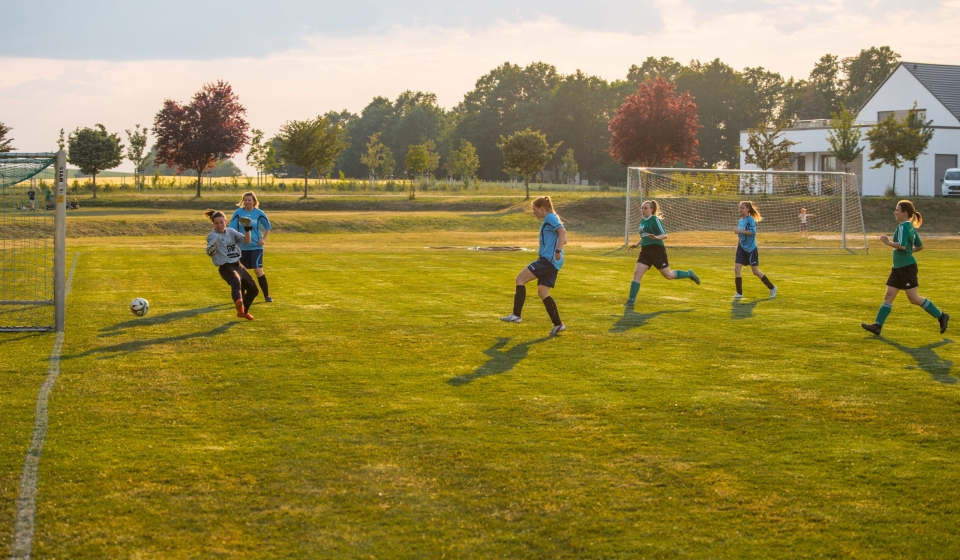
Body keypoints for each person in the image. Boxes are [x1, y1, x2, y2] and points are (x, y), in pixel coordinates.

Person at [861, 200, 948, 336]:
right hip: (898, 267)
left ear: (905, 213)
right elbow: (920, 246)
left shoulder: (903, 227)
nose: (895, 212)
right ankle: (877, 326)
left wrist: (887, 242)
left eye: (897, 210)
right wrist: (908, 251)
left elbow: (901, 246)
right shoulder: (909, 226)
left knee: (913, 298)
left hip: (906, 268)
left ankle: (941, 315)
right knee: (889, 296)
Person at [500, 196, 567, 335]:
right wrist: (558, 246)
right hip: (553, 261)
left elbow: (563, 232)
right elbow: (563, 237)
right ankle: (558, 324)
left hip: (548, 260)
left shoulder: (549, 217)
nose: (533, 212)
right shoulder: (553, 218)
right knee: (542, 292)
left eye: (534, 209)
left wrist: (557, 251)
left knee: (520, 279)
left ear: (542, 208)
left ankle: (516, 315)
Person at [624, 200, 699, 305]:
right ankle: (631, 301)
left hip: (656, 250)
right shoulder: (643, 221)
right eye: (642, 208)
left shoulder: (655, 220)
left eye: (645, 208)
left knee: (668, 275)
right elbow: (645, 236)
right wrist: (636, 244)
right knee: (637, 273)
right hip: (645, 251)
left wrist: (656, 237)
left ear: (651, 209)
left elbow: (664, 235)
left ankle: (689, 274)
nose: (643, 210)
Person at [205, 209, 259, 320]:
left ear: (225, 221)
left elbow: (247, 241)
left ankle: (244, 312)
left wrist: (247, 229)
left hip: (238, 265)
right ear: (213, 224)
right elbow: (210, 248)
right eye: (217, 223)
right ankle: (239, 306)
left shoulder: (230, 231)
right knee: (236, 282)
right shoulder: (213, 235)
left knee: (254, 290)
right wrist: (210, 250)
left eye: (221, 222)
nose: (220, 225)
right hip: (226, 267)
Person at [229, 192, 274, 302]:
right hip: (241, 248)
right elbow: (232, 228)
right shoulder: (238, 213)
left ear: (254, 201)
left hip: (256, 247)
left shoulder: (259, 213)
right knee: (242, 273)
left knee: (258, 270)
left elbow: (268, 227)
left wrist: (263, 240)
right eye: (245, 200)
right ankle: (241, 298)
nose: (247, 202)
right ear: (242, 201)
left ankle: (267, 296)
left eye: (249, 200)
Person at [734, 201, 777, 299]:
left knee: (755, 271)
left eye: (742, 208)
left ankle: (772, 287)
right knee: (736, 268)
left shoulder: (750, 219)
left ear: (748, 209)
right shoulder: (740, 220)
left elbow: (753, 232)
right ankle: (739, 293)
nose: (740, 209)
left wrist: (739, 231)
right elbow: (741, 235)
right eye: (739, 208)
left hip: (751, 248)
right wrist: (738, 233)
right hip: (741, 247)